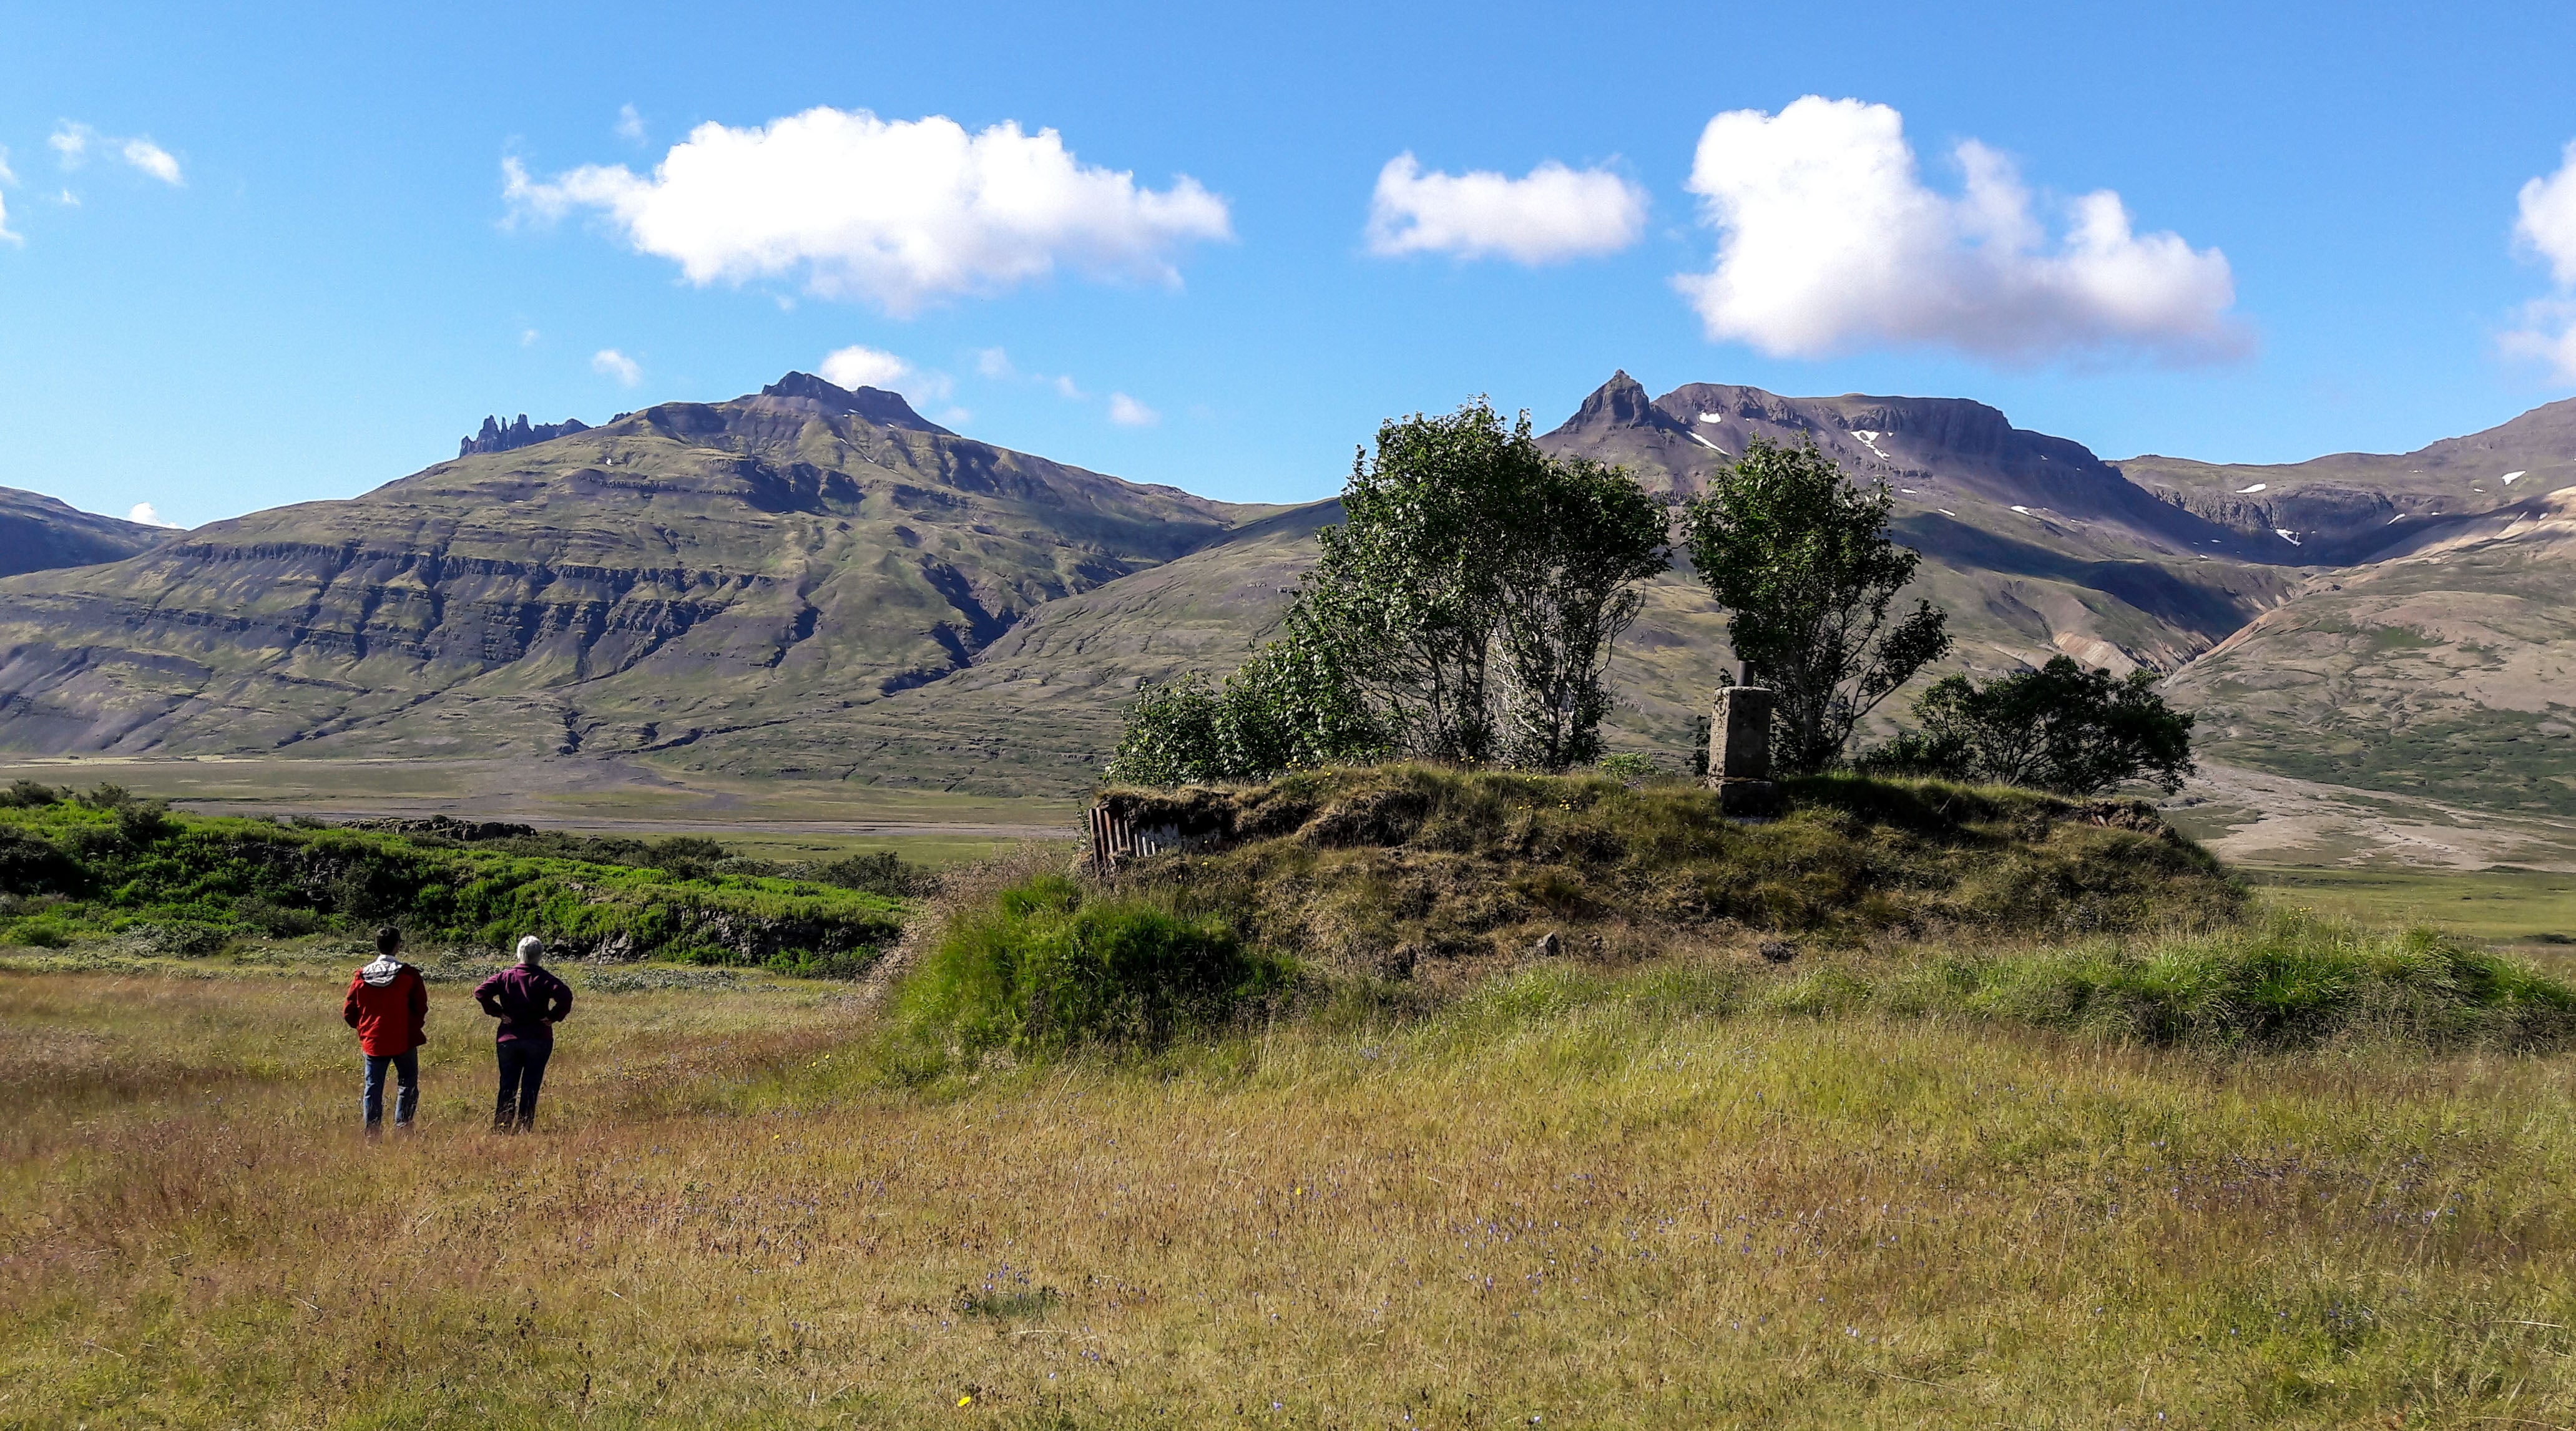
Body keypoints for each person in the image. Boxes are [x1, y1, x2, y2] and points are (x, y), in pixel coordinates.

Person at [474, 935, 573, 1131]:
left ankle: (502, 1127)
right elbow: (566, 997)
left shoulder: (505, 976)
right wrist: (553, 1017)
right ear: (540, 956)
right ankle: (524, 1128)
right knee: (531, 1085)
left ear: (519, 954)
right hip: (539, 1038)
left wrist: (498, 1012)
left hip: (509, 1038)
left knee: (507, 1085)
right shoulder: (545, 978)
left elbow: (480, 992)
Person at [343, 926, 427, 1134]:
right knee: (407, 1084)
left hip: (373, 1040)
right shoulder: (409, 974)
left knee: (373, 1087)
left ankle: (372, 1130)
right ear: (398, 946)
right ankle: (403, 1126)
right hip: (404, 1039)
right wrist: (412, 1027)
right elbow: (421, 1007)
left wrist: (364, 1028)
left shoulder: (361, 976)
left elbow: (349, 1012)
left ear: (376, 945)